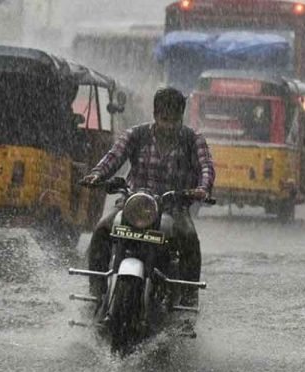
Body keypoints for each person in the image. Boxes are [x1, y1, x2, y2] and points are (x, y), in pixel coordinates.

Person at [81, 87, 215, 305]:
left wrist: (202, 188)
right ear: (155, 114)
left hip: (173, 208)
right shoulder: (136, 135)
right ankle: (96, 292)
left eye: (174, 120)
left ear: (181, 117)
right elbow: (113, 158)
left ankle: (188, 303)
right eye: (164, 118)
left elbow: (206, 167)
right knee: (101, 231)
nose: (168, 125)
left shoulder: (193, 140)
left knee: (189, 239)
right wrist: (97, 175)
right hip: (132, 203)